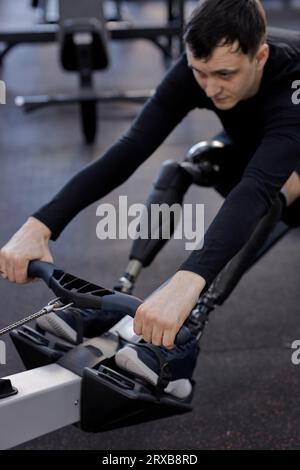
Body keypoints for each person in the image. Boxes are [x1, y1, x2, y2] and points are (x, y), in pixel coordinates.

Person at [1, 0, 300, 398]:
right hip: (253, 147)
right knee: (186, 165)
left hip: (286, 167)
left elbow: (257, 187)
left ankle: (189, 328)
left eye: (225, 75)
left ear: (260, 56)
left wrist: (187, 282)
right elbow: (131, 147)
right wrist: (39, 224)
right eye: (200, 72)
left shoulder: (291, 80)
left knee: (278, 190)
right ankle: (114, 296)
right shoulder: (202, 69)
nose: (210, 88)